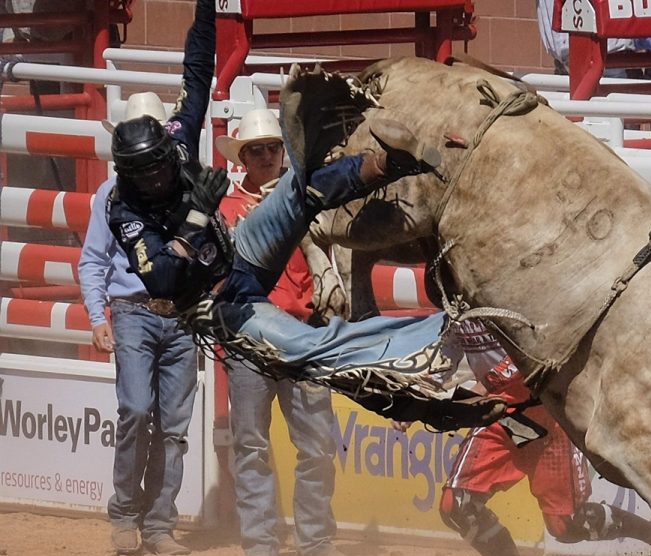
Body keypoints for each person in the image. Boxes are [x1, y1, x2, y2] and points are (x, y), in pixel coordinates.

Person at [104, 3, 504, 433]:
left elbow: (197, 70)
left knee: (300, 191)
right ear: (129, 175)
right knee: (313, 346)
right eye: (147, 175)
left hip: (238, 253)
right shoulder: (124, 210)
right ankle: (427, 372)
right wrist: (195, 218)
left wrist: (206, 7)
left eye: (161, 167)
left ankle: (383, 164)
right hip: (218, 305)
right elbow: (163, 280)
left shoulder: (177, 141)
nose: (158, 178)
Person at [431, 320, 651, 556]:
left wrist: (480, 390)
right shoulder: (451, 295)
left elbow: (544, 342)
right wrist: (417, 394)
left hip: (548, 413)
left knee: (564, 526)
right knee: (458, 505)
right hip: (501, 414)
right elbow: (446, 351)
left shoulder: (509, 284)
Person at [215, 108, 348, 556]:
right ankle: (262, 541)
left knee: (315, 444)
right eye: (258, 150)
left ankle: (308, 540)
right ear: (244, 158)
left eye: (274, 147)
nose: (268, 156)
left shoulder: (303, 200)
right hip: (252, 338)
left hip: (299, 334)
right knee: (252, 444)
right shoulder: (228, 210)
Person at [79, 89, 198, 556]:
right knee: (137, 409)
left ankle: (155, 523)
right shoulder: (112, 196)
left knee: (170, 424)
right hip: (134, 311)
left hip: (176, 314)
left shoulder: (181, 188)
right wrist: (97, 316)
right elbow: (93, 260)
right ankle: (131, 514)